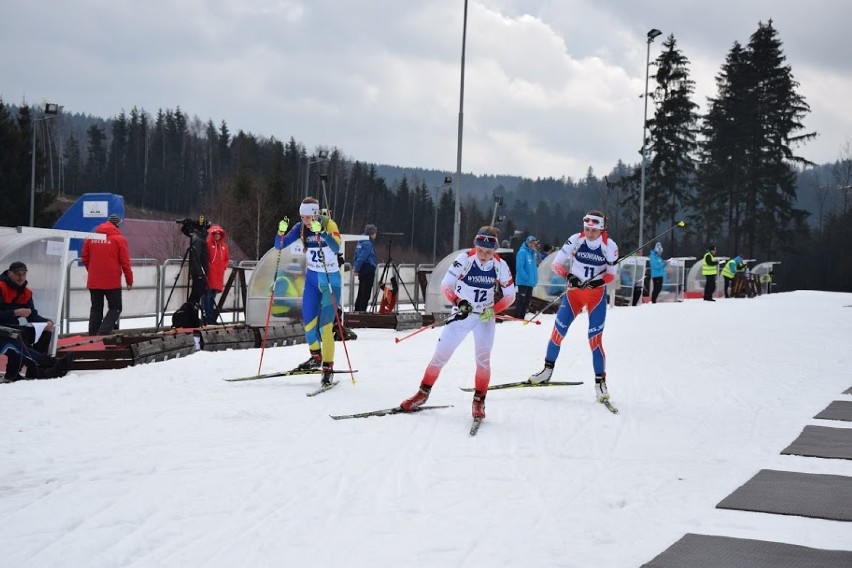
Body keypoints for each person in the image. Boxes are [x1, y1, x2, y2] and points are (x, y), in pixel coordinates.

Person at [399, 226, 516, 421]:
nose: (484, 256)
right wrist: (458, 302)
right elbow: (445, 285)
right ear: (475, 246)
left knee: (483, 360)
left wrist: (493, 310)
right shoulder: (464, 259)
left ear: (494, 250)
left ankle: (479, 400)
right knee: (440, 355)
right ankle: (422, 393)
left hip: (484, 318)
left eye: (488, 252)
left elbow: (510, 296)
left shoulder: (500, 265)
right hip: (462, 314)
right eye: (480, 250)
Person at [528, 210, 618, 403]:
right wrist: (569, 276)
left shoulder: (609, 246)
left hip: (595, 297)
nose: (589, 233)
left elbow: (611, 274)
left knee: (594, 340)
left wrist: (599, 282)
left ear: (601, 229)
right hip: (573, 295)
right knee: (557, 333)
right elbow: (556, 265)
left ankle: (600, 382)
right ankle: (547, 371)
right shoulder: (576, 239)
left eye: (593, 230)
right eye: (587, 229)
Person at [274, 197, 342, 387]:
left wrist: (324, 235)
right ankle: (315, 356)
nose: (305, 220)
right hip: (312, 280)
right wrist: (281, 231)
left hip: (330, 281)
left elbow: (336, 247)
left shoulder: (328, 223)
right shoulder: (300, 228)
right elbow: (279, 245)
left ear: (315, 213)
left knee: (325, 327)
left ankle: (328, 368)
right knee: (309, 324)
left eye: (307, 217)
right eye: (302, 217)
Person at [0, 263, 70, 382]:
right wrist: (15, 313)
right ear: (10, 273)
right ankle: (48, 363)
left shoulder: (26, 293)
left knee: (45, 331)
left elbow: (32, 316)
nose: (21, 277)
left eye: (24, 274)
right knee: (15, 340)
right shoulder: (1, 287)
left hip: (12, 329)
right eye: (18, 274)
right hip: (4, 330)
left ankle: (36, 371)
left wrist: (46, 322)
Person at [81, 214, 134, 335]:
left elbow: (84, 258)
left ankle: (92, 336)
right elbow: (125, 262)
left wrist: (93, 271)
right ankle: (103, 333)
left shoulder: (91, 238)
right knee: (115, 308)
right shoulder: (119, 239)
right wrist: (129, 280)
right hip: (112, 281)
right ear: (117, 225)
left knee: (96, 309)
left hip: (94, 281)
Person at [204, 223, 230, 324]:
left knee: (213, 295)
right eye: (215, 234)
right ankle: (208, 317)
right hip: (210, 274)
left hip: (219, 274)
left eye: (218, 234)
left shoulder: (224, 246)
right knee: (208, 296)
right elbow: (205, 257)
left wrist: (224, 266)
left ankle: (210, 317)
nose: (217, 235)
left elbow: (227, 259)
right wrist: (208, 266)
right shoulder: (208, 244)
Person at [352, 224, 378, 312]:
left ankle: (357, 309)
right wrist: (356, 269)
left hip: (362, 269)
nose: (375, 235)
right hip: (368, 269)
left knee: (361, 291)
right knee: (366, 292)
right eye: (374, 233)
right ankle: (362, 311)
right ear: (371, 234)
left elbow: (356, 256)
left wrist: (355, 267)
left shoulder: (361, 241)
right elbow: (362, 257)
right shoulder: (367, 244)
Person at [187, 216, 210, 313]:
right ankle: (190, 312)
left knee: (197, 294)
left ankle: (192, 313)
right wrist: (200, 273)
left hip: (200, 271)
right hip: (198, 273)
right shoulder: (198, 239)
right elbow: (196, 257)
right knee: (196, 294)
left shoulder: (199, 238)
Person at [514, 235, 539, 318]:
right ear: (527, 242)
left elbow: (533, 268)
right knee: (521, 300)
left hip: (530, 282)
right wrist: (525, 277)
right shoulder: (522, 252)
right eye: (531, 243)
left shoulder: (533, 253)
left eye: (534, 243)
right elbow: (519, 267)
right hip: (523, 281)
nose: (532, 245)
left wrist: (534, 279)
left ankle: (522, 317)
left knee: (527, 301)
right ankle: (517, 317)